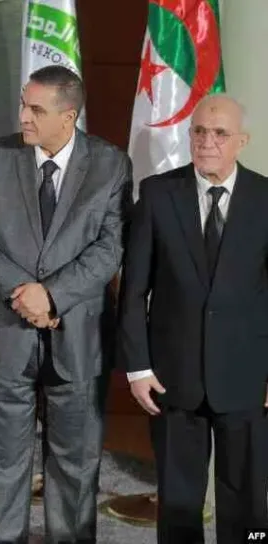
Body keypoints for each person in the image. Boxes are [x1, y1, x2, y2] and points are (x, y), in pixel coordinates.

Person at [0, 65, 131, 542]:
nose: (23, 116)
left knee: (76, 465)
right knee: (2, 462)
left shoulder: (111, 164)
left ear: (68, 116)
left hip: (78, 337)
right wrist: (24, 291)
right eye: (23, 104)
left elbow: (110, 247)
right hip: (4, 336)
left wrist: (52, 295)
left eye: (36, 109)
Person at [118, 94, 268, 543]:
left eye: (220, 133)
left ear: (242, 141)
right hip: (174, 378)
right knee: (179, 504)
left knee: (247, 502)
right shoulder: (158, 194)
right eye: (199, 131)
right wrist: (138, 368)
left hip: (247, 379)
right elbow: (133, 290)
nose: (207, 142)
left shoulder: (265, 198)